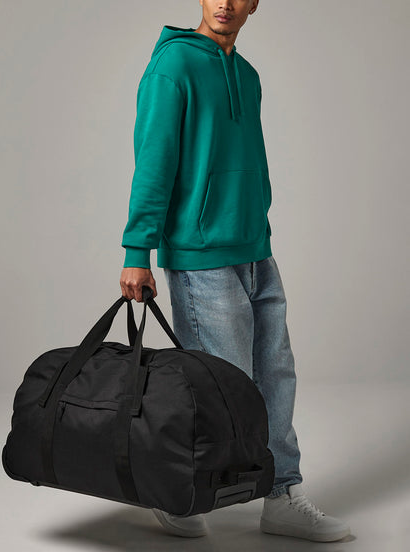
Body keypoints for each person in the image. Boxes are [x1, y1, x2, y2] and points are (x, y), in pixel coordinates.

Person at [119, 0, 351, 543]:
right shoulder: (173, 66)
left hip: (254, 249)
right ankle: (177, 490)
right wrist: (137, 250)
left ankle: (281, 494)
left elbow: (251, 159)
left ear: (254, 4)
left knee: (274, 375)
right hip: (201, 252)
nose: (224, 2)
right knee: (220, 386)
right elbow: (154, 158)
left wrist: (259, 226)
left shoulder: (247, 74)